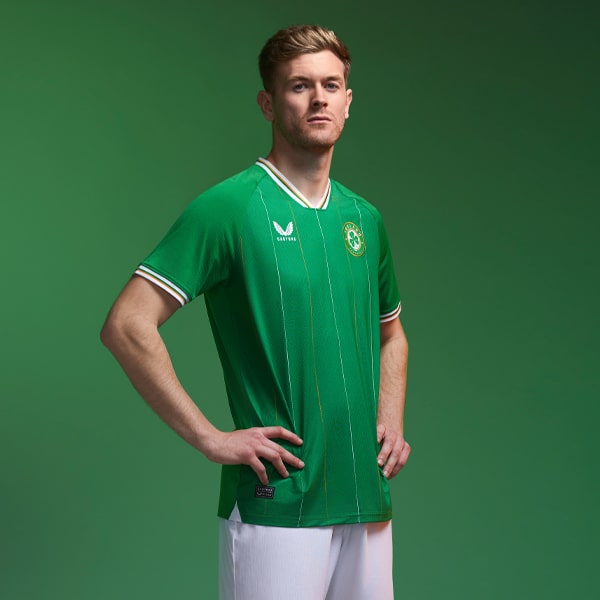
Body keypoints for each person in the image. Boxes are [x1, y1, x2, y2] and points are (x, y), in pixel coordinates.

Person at [101, 24, 410, 600]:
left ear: (348, 101)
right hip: (278, 502)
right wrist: (210, 438)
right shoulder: (229, 208)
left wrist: (390, 418)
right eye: (299, 86)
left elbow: (392, 335)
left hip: (366, 500)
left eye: (331, 85)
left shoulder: (364, 220)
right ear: (268, 103)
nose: (318, 99)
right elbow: (126, 324)